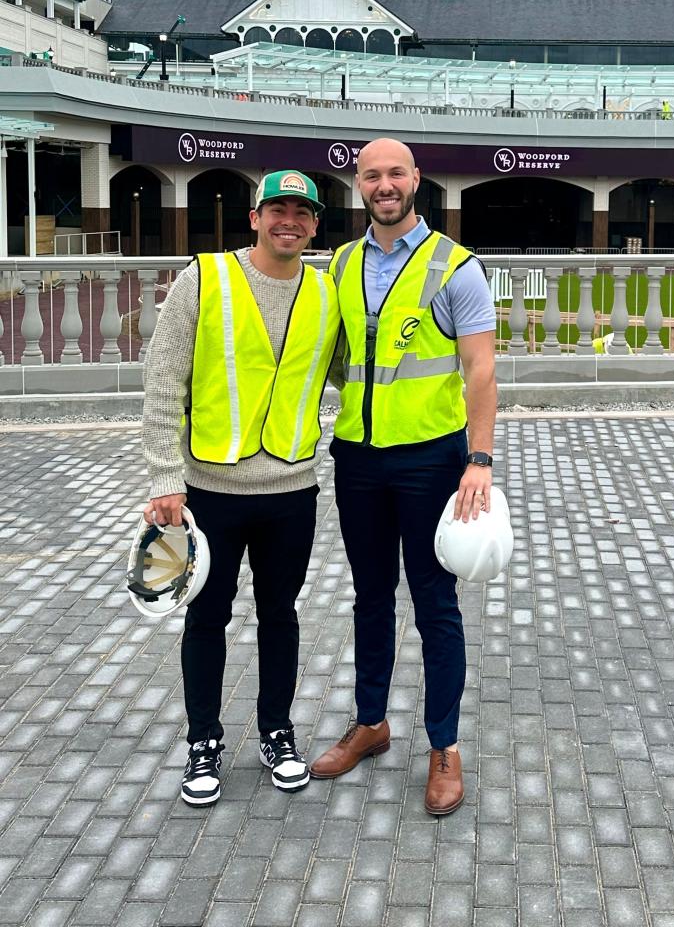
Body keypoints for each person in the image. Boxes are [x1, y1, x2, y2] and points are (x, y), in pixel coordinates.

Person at [309, 137, 497, 816]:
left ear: (416, 180)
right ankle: (372, 724)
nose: (383, 185)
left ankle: (444, 745)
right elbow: (327, 358)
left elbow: (480, 368)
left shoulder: (455, 267)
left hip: (430, 460)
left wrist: (479, 459)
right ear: (357, 186)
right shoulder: (340, 263)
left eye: (395, 173)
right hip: (357, 457)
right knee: (369, 598)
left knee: (434, 604)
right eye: (371, 176)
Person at [141, 170, 341, 807]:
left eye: (302, 212)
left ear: (315, 224)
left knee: (281, 616)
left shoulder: (327, 290)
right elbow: (164, 383)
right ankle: (204, 740)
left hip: (292, 487)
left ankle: (277, 732)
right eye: (277, 209)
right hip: (210, 490)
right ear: (254, 217)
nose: (290, 221)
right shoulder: (204, 279)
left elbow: (348, 373)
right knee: (207, 615)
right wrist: (165, 480)